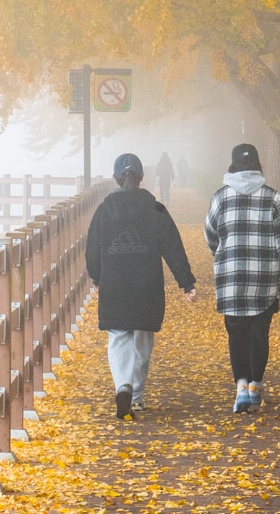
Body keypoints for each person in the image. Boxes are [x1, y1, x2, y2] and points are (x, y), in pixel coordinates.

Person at [86, 152, 197, 418]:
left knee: (118, 337)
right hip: (147, 284)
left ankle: (122, 385)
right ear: (142, 177)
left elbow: (92, 248)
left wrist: (96, 276)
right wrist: (186, 282)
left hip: (114, 283)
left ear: (115, 178)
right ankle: (136, 396)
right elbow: (173, 246)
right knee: (143, 340)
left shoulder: (104, 210)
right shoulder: (155, 209)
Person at [204, 142, 280, 414]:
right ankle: (256, 386)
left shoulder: (220, 197)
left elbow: (210, 233)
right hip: (264, 279)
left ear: (231, 167)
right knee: (259, 334)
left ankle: (241, 388)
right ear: (258, 166)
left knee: (237, 336)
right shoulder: (272, 197)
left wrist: (223, 254)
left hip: (231, 278)